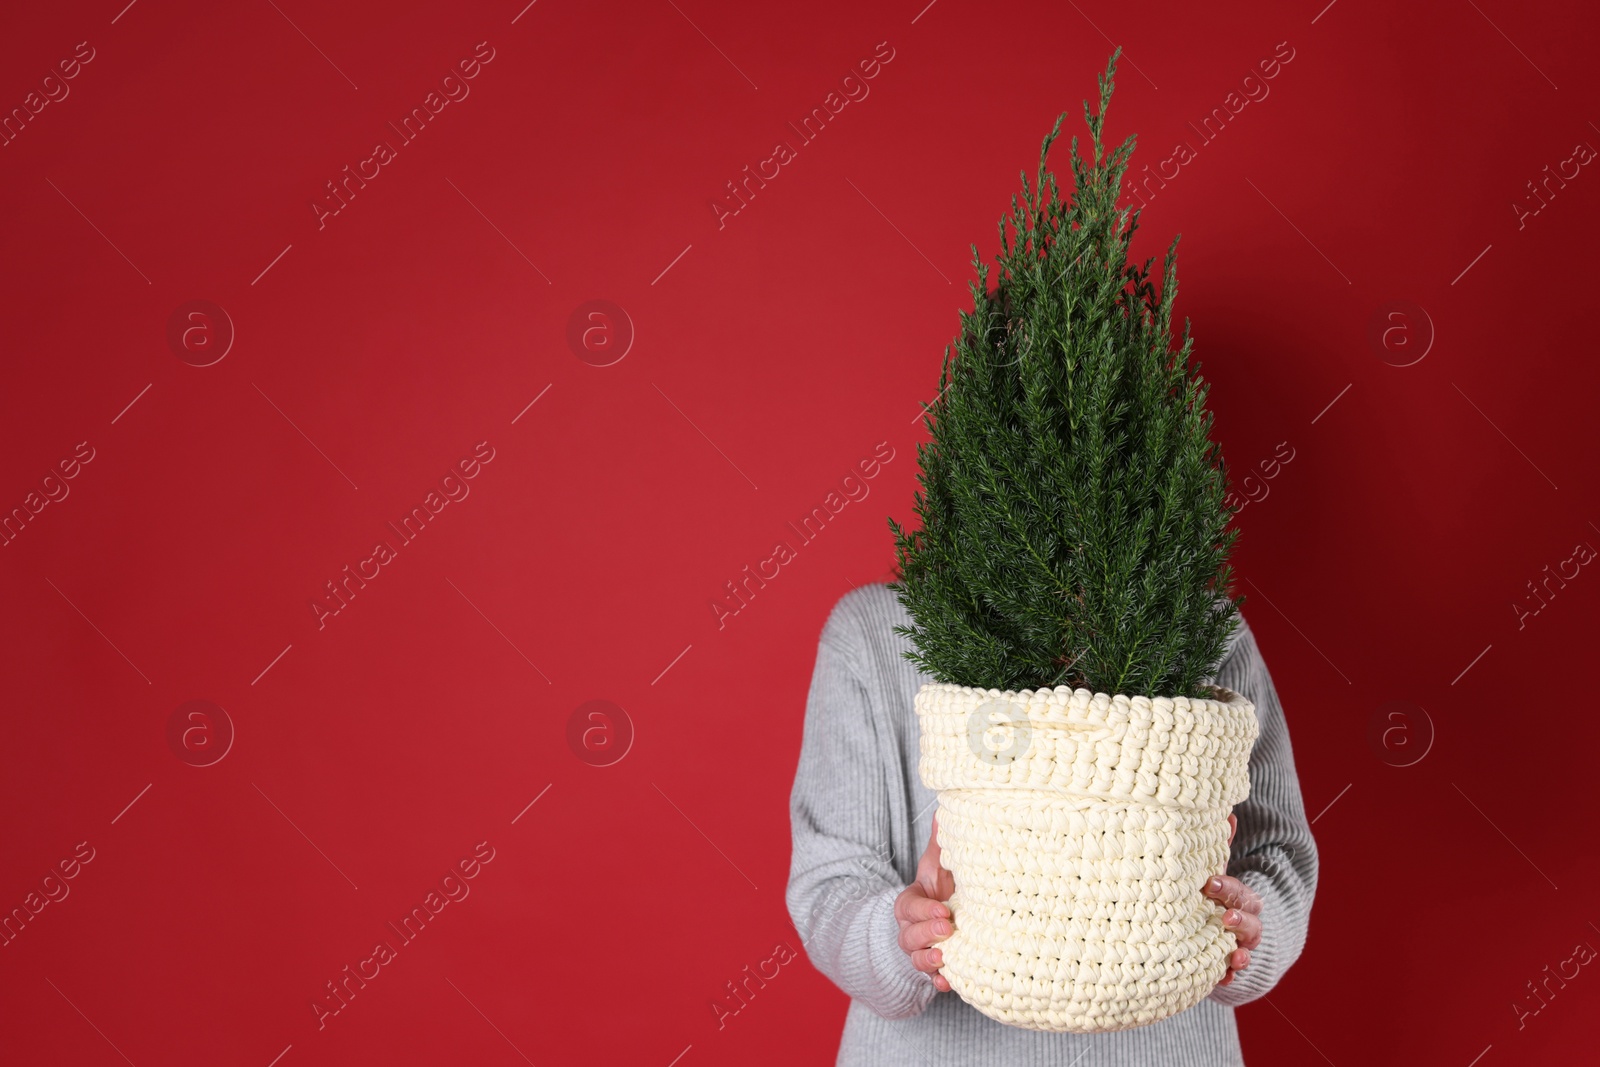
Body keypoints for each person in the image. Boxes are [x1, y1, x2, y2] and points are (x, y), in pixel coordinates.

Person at [786, 581, 1319, 1066]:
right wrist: (904, 936)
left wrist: (1248, 931)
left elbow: (1279, 848)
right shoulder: (874, 632)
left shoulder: (1198, 622)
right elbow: (828, 884)